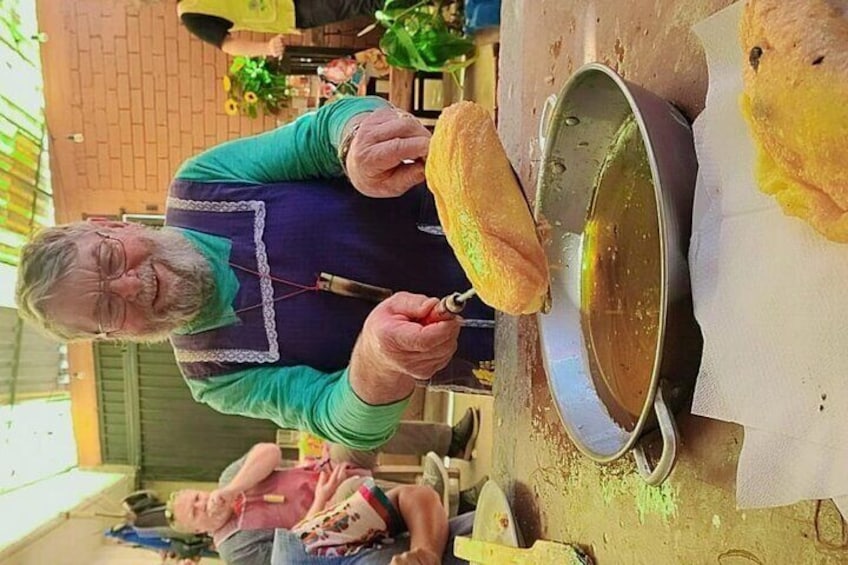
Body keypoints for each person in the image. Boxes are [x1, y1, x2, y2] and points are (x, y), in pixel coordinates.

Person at [15, 95, 493, 451]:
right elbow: (341, 423)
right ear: (109, 338)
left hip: (498, 206)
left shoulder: (202, 184)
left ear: (112, 226)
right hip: (508, 350)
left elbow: (320, 133)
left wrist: (355, 140)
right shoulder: (215, 375)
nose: (130, 285)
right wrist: (377, 364)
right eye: (107, 309)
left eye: (110, 259)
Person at [167, 441, 478, 564]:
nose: (203, 503)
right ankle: (456, 500)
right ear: (199, 532)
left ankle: (451, 441)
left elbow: (269, 452)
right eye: (196, 511)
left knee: (355, 431)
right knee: (355, 489)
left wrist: (235, 489)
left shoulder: (229, 481)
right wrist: (323, 499)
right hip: (332, 505)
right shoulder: (237, 549)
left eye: (197, 497)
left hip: (334, 506)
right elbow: (296, 545)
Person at [177, 0, 386, 58]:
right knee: (359, 2)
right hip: (293, 10)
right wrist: (267, 48)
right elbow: (228, 44)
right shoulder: (191, 14)